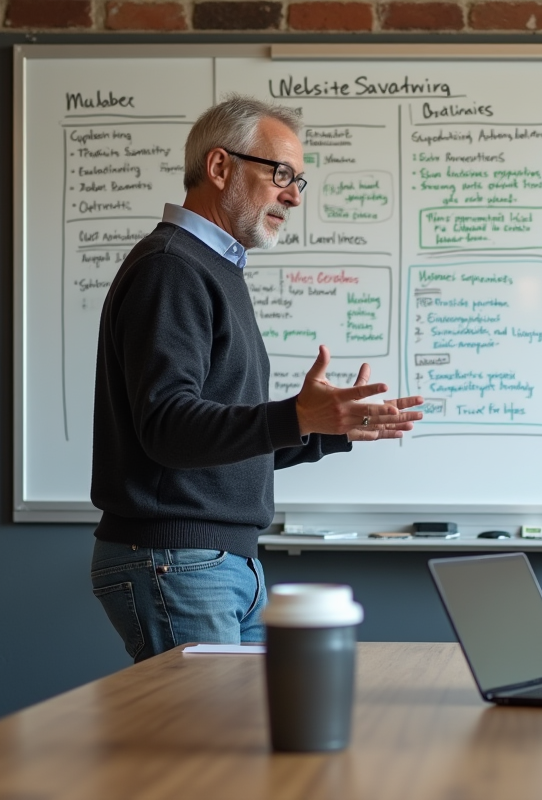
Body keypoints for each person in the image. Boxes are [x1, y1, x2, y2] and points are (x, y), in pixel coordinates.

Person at [89, 95, 422, 661]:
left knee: (246, 718)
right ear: (220, 167)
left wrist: (323, 429)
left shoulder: (213, 268)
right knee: (213, 723)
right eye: (281, 174)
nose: (294, 196)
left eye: (298, 181)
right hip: (178, 559)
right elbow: (168, 428)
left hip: (219, 561)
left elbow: (218, 449)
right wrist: (295, 416)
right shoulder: (172, 267)